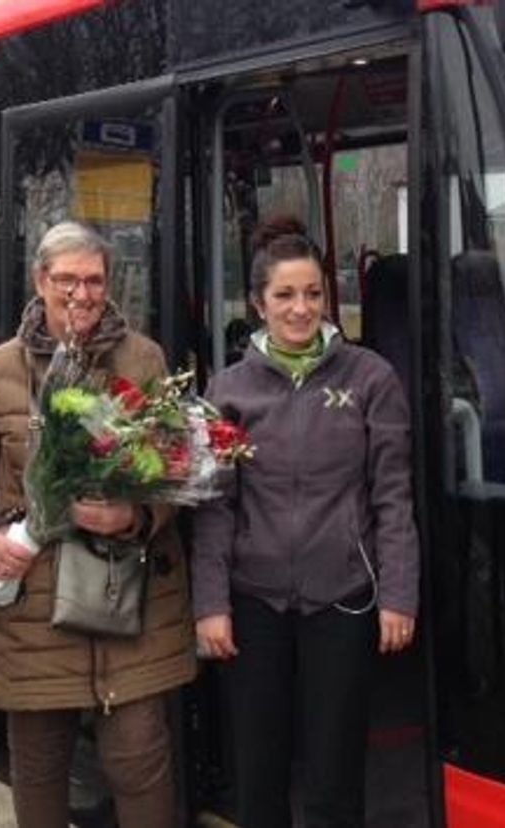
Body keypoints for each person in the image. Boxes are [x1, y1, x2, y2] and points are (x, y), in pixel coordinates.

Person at [0, 220, 195, 828]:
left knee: (142, 762)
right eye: (67, 280)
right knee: (40, 770)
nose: (81, 294)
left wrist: (135, 513)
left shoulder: (144, 358)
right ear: (39, 281)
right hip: (31, 611)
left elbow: (179, 465)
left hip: (131, 603)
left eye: (95, 280)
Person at [192, 216, 420, 828]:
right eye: (285, 295)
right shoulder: (230, 388)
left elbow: (393, 497)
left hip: (341, 601)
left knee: (334, 772)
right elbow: (216, 507)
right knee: (259, 770)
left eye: (313, 293)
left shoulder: (370, 378)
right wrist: (210, 604)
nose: (301, 308)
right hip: (253, 604)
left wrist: (398, 594)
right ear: (259, 304)